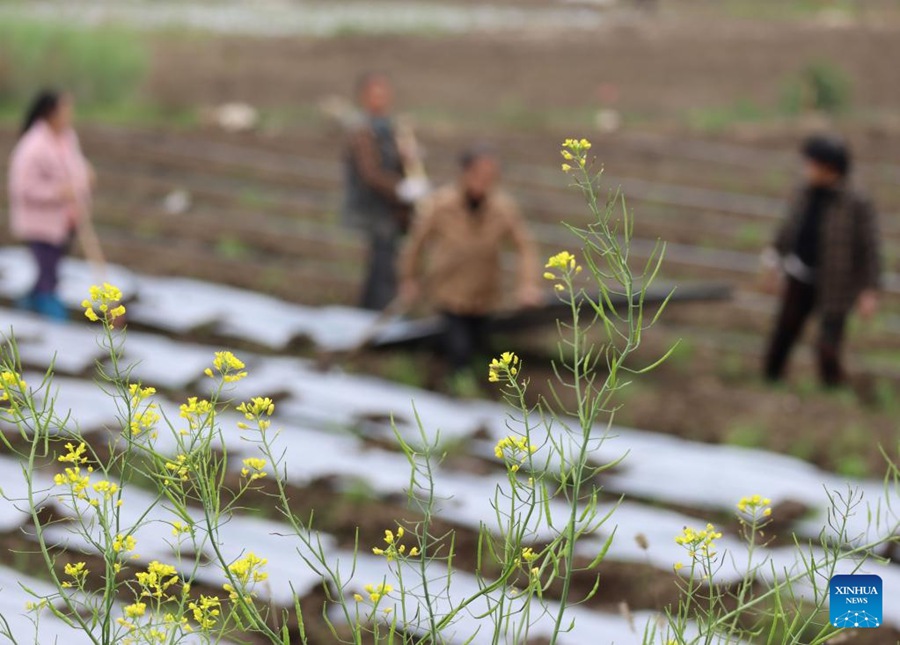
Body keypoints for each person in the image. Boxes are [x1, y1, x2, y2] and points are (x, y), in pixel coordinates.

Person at [399, 145, 541, 390]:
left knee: (478, 346)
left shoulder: (503, 209)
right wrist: (409, 279)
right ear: (465, 173)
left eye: (491, 176)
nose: (484, 181)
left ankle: (462, 386)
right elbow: (415, 245)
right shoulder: (440, 205)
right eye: (479, 174)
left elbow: (525, 247)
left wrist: (528, 285)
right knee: (458, 347)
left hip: (485, 294)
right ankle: (455, 389)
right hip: (449, 291)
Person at [760, 134, 881, 387]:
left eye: (811, 164)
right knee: (784, 331)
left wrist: (869, 290)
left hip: (836, 285)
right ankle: (770, 379)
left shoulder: (855, 202)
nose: (806, 169)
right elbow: (789, 229)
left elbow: (869, 248)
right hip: (799, 275)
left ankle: (831, 388)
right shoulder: (804, 192)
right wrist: (773, 260)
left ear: (830, 168)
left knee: (828, 345)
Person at [341, 72, 428, 310]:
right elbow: (370, 173)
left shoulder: (391, 128)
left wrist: (408, 157)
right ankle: (376, 311)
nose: (381, 100)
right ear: (364, 97)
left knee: (385, 260)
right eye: (375, 95)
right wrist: (400, 188)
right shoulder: (361, 131)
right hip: (373, 208)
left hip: (390, 210)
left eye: (384, 94)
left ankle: (371, 310)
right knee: (382, 263)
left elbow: (396, 159)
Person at [8, 90, 93, 321]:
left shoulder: (67, 138)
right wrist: (57, 192)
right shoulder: (33, 145)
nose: (70, 114)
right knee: (48, 274)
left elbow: (76, 167)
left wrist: (85, 176)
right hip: (40, 223)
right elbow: (22, 188)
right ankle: (53, 317)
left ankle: (26, 305)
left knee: (51, 269)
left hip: (65, 220)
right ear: (50, 113)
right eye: (65, 109)